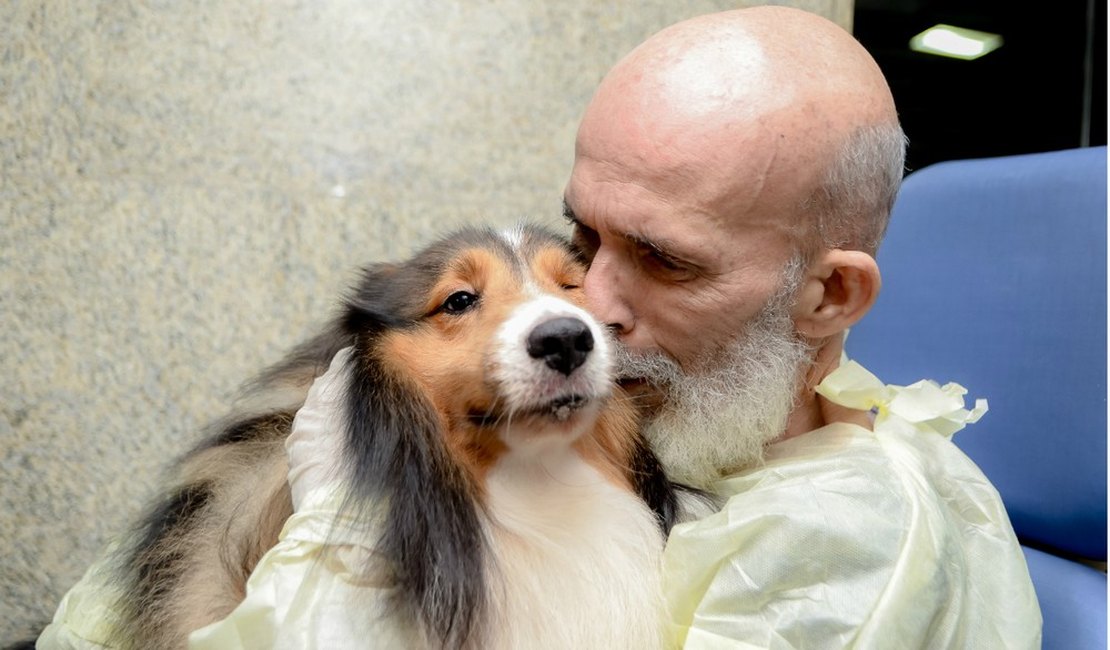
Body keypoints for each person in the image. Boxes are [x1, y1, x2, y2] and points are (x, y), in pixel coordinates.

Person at [561, 5, 1040, 649]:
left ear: (831, 297)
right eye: (584, 237)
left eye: (665, 261)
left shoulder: (835, 560)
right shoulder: (701, 444)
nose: (588, 307)